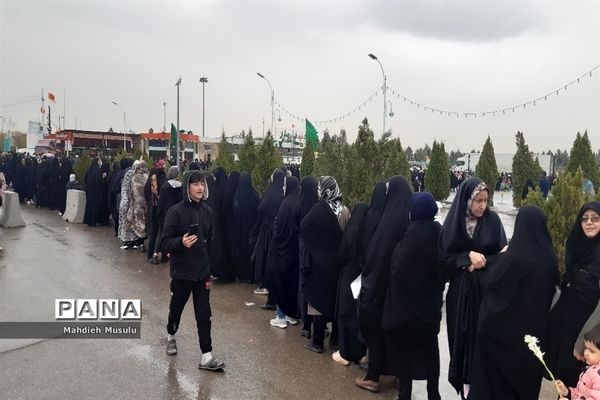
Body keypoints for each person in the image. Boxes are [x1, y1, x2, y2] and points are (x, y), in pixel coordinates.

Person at [469, 205, 560, 400]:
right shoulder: (550, 258)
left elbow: (491, 283)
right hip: (533, 342)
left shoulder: (514, 257)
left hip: (504, 341)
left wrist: (500, 257)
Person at [438, 177, 507, 398]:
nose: (482, 206)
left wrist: (482, 261)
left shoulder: (493, 221)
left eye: (486, 200)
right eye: (478, 200)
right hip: (460, 295)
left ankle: (478, 389)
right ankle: (465, 388)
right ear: (467, 200)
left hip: (484, 293)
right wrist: (465, 257)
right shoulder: (454, 223)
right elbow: (442, 258)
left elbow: (503, 257)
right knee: (461, 340)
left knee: (481, 342)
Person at [382, 192, 445, 400]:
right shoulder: (439, 234)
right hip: (430, 307)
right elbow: (444, 268)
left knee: (406, 351)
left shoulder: (410, 235)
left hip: (408, 308)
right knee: (430, 349)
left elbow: (398, 267)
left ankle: (405, 392)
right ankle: (433, 392)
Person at [161, 170, 225, 371]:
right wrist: (181, 242)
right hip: (182, 272)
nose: (200, 187)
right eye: (196, 184)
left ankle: (206, 356)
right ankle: (171, 335)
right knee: (176, 310)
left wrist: (210, 268)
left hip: (202, 273)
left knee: (204, 314)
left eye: (202, 184)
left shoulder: (208, 212)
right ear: (187, 186)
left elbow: (210, 241)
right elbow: (165, 242)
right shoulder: (175, 212)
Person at [356, 176, 412, 393]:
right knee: (396, 334)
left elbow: (376, 259)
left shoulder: (388, 223)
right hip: (401, 294)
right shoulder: (408, 221)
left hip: (380, 290)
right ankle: (400, 376)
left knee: (376, 333)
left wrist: (368, 288)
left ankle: (372, 377)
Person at [548, 201, 600, 387]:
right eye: (584, 219)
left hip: (590, 333)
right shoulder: (575, 244)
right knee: (565, 383)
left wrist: (583, 339)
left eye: (595, 218)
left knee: (587, 383)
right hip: (566, 328)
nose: (589, 223)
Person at [557, 325, 600, 400]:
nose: (586, 353)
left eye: (592, 351)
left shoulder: (598, 376)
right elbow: (581, 394)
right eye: (585, 348)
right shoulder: (590, 369)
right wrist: (566, 392)